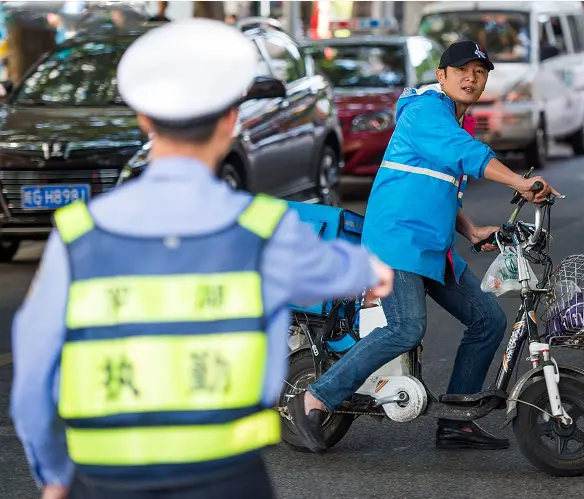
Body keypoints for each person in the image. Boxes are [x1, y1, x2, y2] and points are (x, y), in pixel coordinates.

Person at [10, 18, 393, 499]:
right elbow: (344, 270)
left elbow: (31, 384)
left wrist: (52, 476)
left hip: (105, 478)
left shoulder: (75, 237)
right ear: (231, 122)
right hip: (226, 479)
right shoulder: (264, 230)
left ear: (144, 121)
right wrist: (373, 271)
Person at [289, 40, 559, 452]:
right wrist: (521, 181)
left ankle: (456, 425)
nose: (472, 78)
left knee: (488, 320)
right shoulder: (424, 112)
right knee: (406, 326)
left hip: (432, 246)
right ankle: (314, 399)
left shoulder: (454, 120)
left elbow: (438, 187)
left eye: (480, 72)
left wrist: (469, 230)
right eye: (462, 70)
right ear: (441, 75)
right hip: (396, 240)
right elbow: (463, 155)